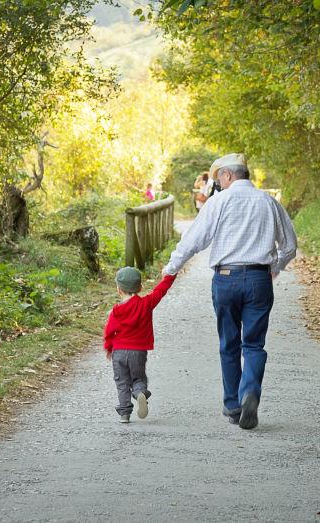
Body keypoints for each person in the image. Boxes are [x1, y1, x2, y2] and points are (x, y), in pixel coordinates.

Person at [163, 153, 297, 430]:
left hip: (225, 279)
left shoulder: (218, 202)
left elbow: (193, 241)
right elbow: (289, 246)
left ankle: (233, 405)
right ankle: (249, 392)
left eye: (219, 179)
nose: (218, 184)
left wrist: (171, 268)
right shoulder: (269, 202)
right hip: (259, 279)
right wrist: (275, 267)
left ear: (227, 175)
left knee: (229, 343)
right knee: (254, 344)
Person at [103, 267, 176, 423]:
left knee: (122, 382)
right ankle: (140, 393)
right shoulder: (146, 303)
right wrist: (171, 274)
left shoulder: (117, 310)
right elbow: (160, 291)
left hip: (119, 352)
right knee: (138, 378)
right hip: (139, 352)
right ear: (140, 287)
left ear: (119, 289)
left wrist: (109, 348)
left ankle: (124, 414)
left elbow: (109, 331)